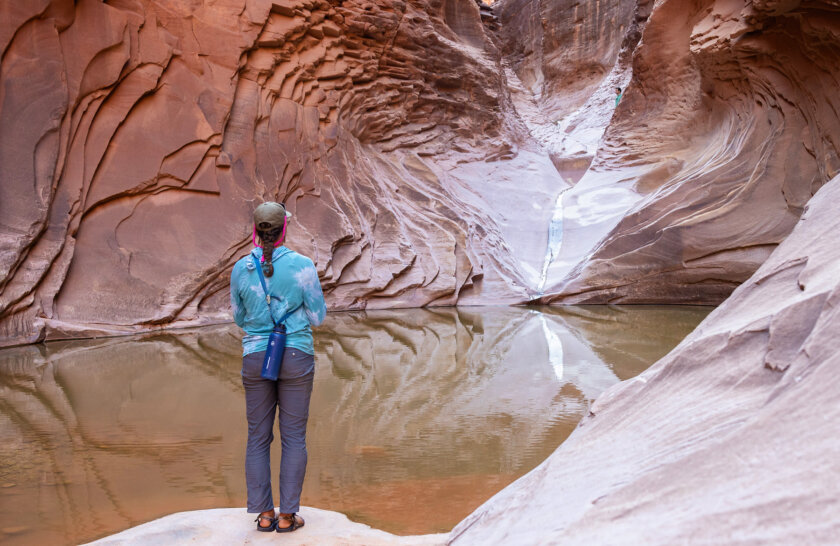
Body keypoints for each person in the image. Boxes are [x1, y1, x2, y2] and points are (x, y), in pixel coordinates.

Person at [230, 201, 327, 533]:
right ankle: (287, 517)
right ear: (284, 229)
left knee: (257, 437)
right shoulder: (303, 266)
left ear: (256, 230)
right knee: (294, 438)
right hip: (296, 353)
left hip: (256, 355)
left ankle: (265, 514)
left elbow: (239, 317)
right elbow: (318, 317)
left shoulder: (241, 268)